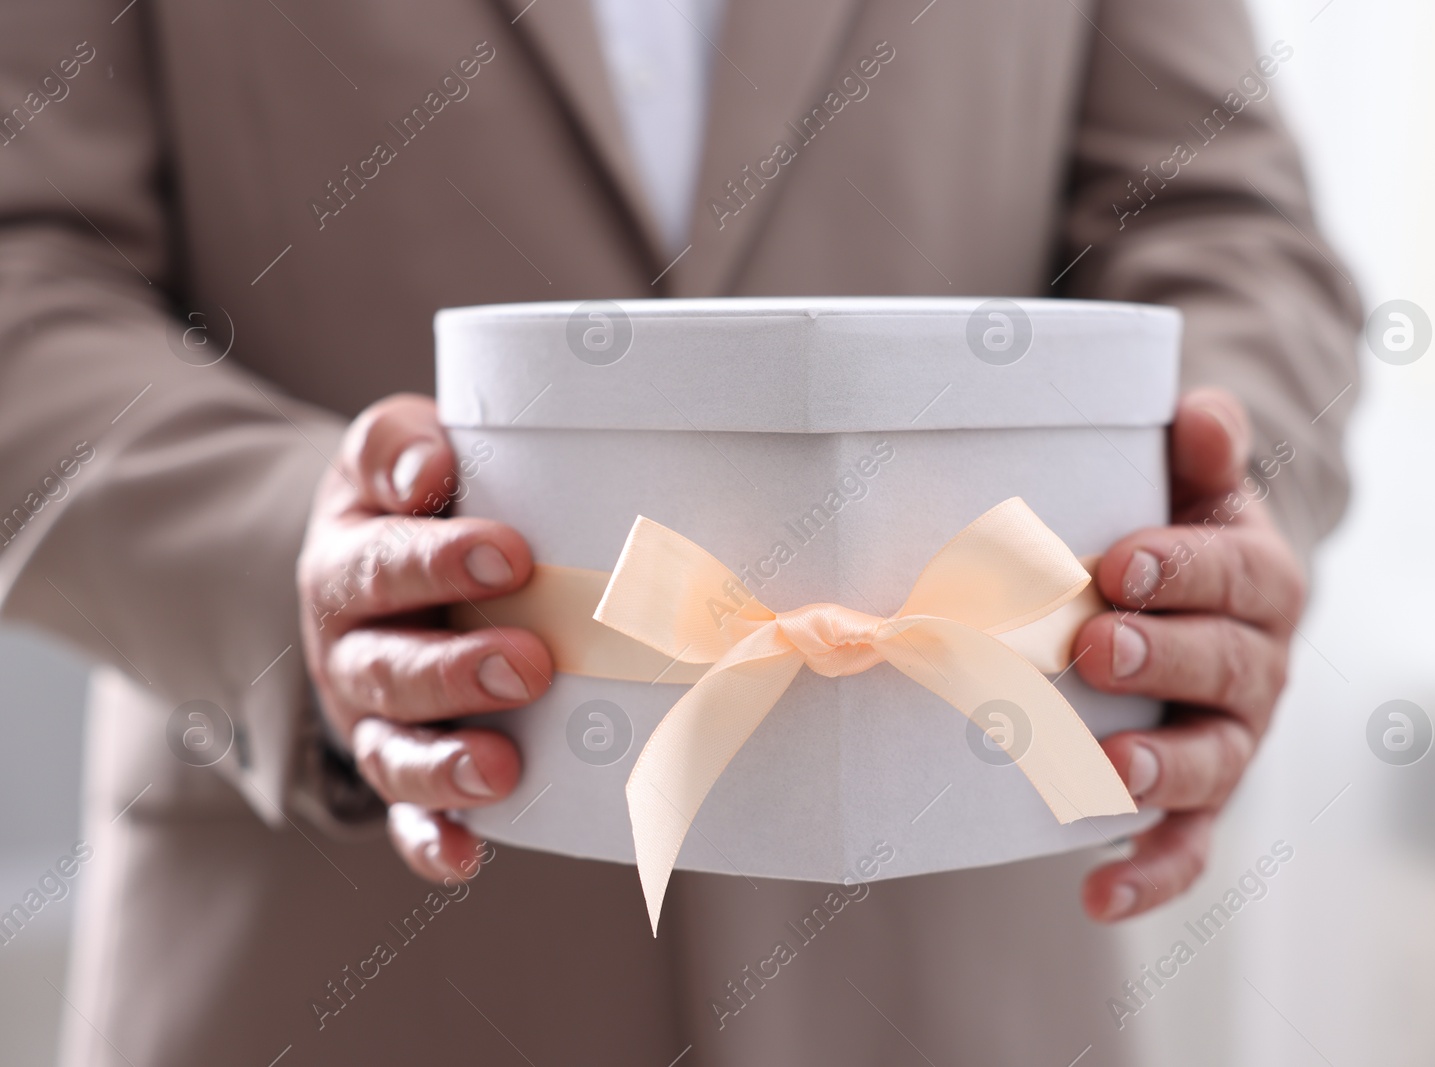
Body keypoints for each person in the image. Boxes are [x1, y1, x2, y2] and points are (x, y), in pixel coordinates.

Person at [0, 0, 1359, 1063]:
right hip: (336, 968)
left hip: (954, 945)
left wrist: (1211, 517)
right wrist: (294, 549)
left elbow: (1226, 219)